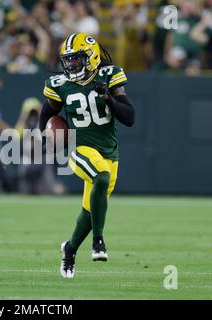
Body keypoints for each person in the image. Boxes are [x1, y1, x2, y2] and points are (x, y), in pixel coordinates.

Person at [40, 33, 135, 278]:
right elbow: (46, 114)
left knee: (90, 210)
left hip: (109, 152)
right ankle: (98, 242)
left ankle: (69, 249)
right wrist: (46, 138)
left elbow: (129, 118)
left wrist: (108, 99)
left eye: (76, 60)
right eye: (67, 61)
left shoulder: (108, 76)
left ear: (91, 57)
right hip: (79, 149)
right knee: (100, 178)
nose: (70, 65)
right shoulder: (59, 84)